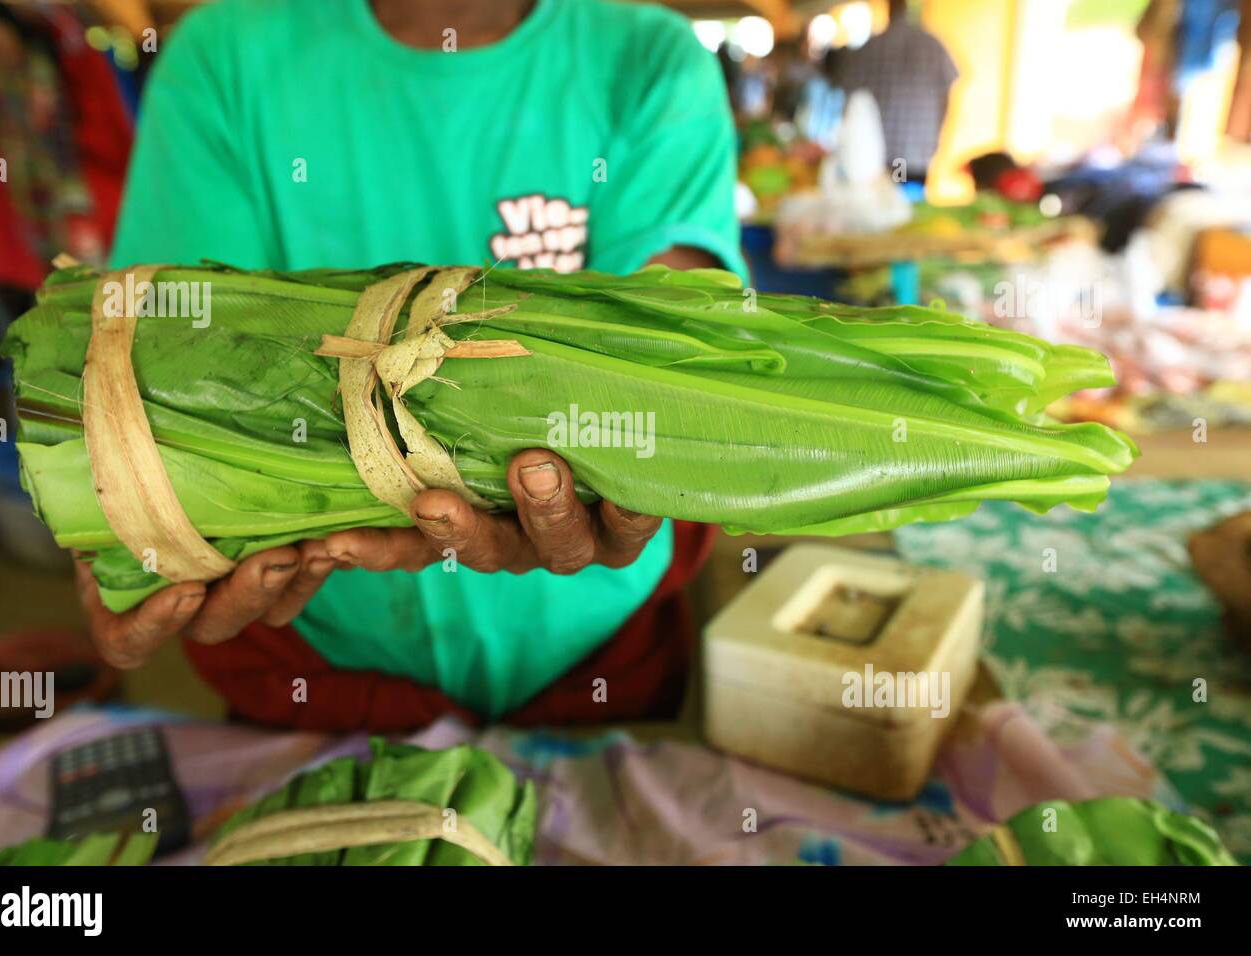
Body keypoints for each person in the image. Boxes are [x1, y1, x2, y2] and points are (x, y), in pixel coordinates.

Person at [78, 0, 746, 730]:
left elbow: (668, 340)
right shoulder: (226, 55)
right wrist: (126, 500)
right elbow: (169, 352)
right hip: (324, 644)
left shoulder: (649, 59)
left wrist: (657, 439)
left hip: (590, 645)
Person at [834, 0, 958, 183]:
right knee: (904, 203)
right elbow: (947, 94)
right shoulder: (933, 46)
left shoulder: (871, 46)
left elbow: (849, 97)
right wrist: (939, 134)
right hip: (911, 152)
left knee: (881, 204)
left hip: (875, 153)